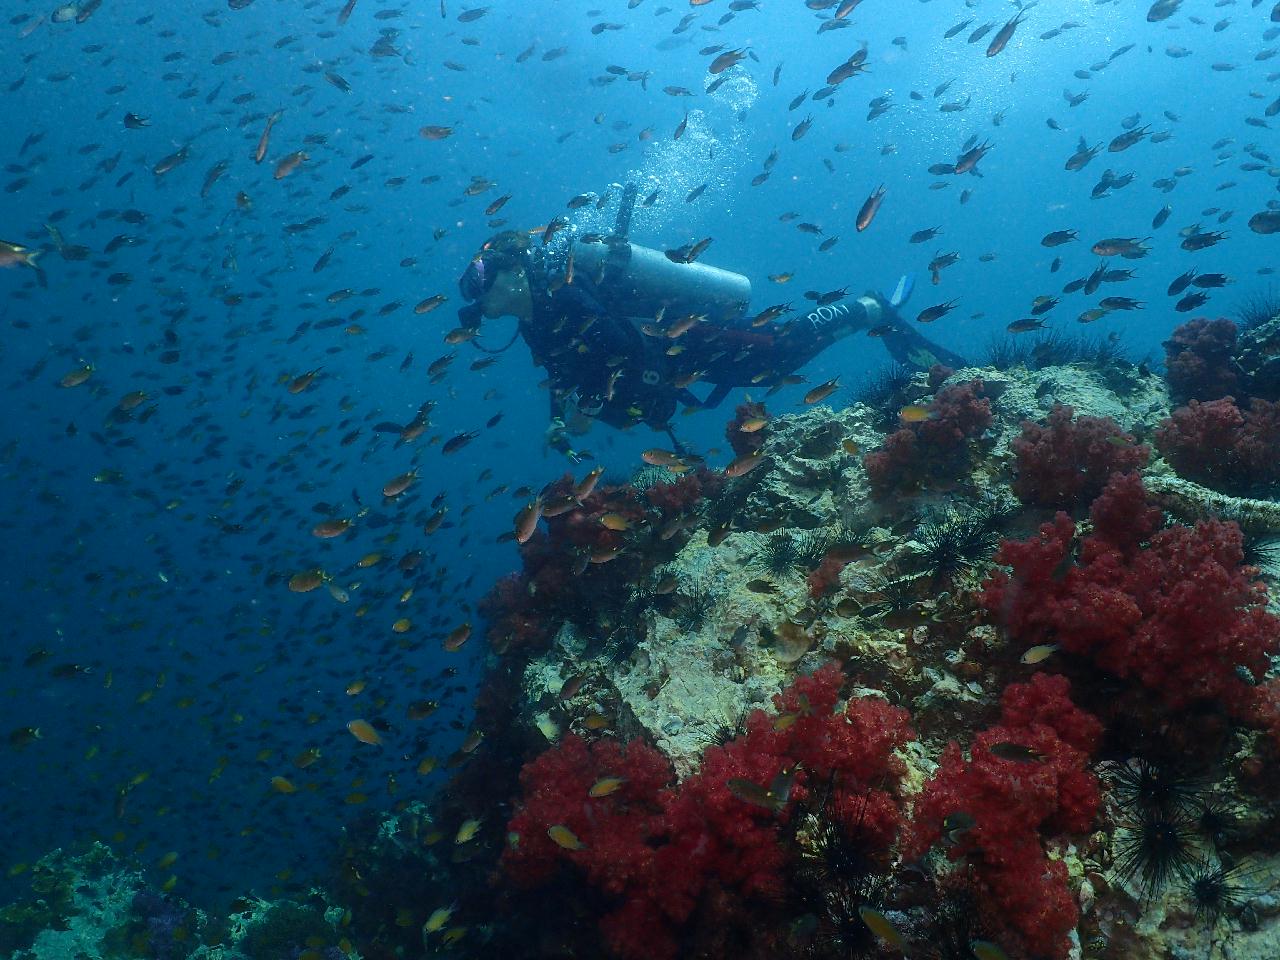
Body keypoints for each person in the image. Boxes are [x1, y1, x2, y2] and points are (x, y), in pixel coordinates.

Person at [455, 227, 965, 460]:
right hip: (674, 361)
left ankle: (870, 308)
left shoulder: (564, 291)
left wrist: (588, 401)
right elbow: (561, 367)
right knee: (769, 365)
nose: (480, 296)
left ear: (514, 272)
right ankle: (873, 316)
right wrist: (560, 417)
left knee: (777, 352)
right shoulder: (532, 320)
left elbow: (620, 342)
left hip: (684, 337)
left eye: (483, 280)